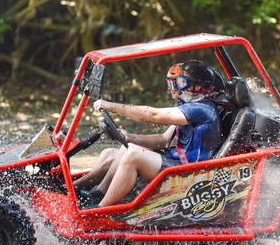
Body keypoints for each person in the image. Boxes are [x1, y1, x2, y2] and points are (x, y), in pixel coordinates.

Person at [74, 60, 222, 208]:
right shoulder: (189, 106)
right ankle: (86, 191)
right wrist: (131, 137)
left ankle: (99, 210)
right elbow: (164, 139)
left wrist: (111, 105)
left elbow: (153, 115)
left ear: (198, 86)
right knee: (118, 150)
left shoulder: (201, 109)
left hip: (189, 175)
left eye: (180, 82)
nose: (174, 87)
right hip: (177, 166)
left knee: (133, 155)